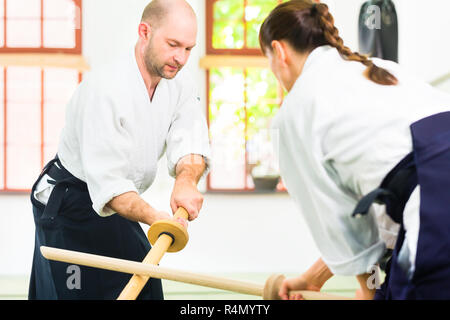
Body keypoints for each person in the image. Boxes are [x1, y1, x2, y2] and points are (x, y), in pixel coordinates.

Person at [259, 0, 450, 300]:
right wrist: (313, 279)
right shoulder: (379, 69)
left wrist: (369, 292)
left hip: (436, 209)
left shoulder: (295, 112)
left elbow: (350, 233)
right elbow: (373, 217)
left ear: (279, 52)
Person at [28, 0, 210, 300]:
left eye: (189, 49)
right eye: (173, 44)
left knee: (146, 286)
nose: (180, 58)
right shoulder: (104, 91)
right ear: (144, 32)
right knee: (76, 291)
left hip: (119, 203)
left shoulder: (179, 84)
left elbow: (190, 139)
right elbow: (110, 186)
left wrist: (186, 180)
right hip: (71, 204)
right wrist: (156, 217)